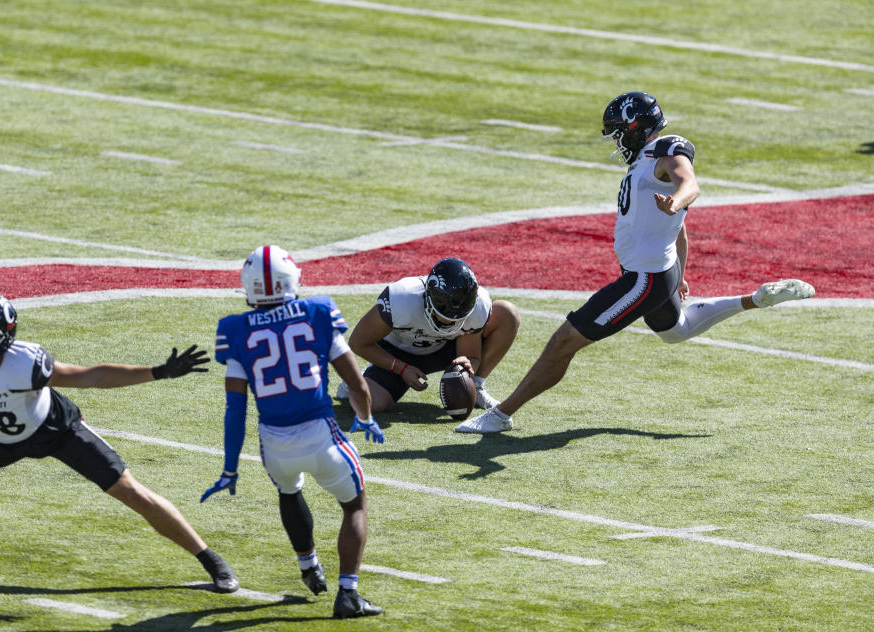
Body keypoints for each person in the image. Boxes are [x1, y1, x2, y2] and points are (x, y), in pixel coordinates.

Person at [458, 91, 815, 434]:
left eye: (618, 133)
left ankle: (501, 414)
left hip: (644, 278)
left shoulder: (665, 151)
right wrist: (681, 272)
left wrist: (676, 201)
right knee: (677, 331)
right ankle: (757, 298)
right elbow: (679, 228)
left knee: (565, 340)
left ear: (635, 127)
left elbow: (689, 184)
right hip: (662, 269)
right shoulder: (645, 163)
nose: (616, 142)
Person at [0, 291, 239, 591]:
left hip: (55, 430)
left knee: (131, 491)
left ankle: (212, 561)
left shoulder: (23, 364)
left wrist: (156, 372)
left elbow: (89, 376)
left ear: (3, 339)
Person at [202, 245, 382, 619]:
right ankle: (348, 592)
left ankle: (308, 565)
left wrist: (230, 467)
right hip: (321, 434)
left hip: (274, 443)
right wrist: (364, 418)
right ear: (291, 280)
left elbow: (234, 411)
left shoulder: (234, 330)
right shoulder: (317, 313)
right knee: (354, 505)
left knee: (288, 489)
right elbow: (357, 386)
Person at [337, 257, 520, 416]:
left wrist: (467, 366)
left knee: (506, 314)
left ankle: (477, 386)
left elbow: (471, 355)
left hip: (446, 347)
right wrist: (401, 368)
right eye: (445, 316)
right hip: (399, 351)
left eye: (457, 318)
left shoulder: (478, 305)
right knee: (370, 403)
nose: (450, 323)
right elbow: (358, 342)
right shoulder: (403, 298)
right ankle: (359, 379)